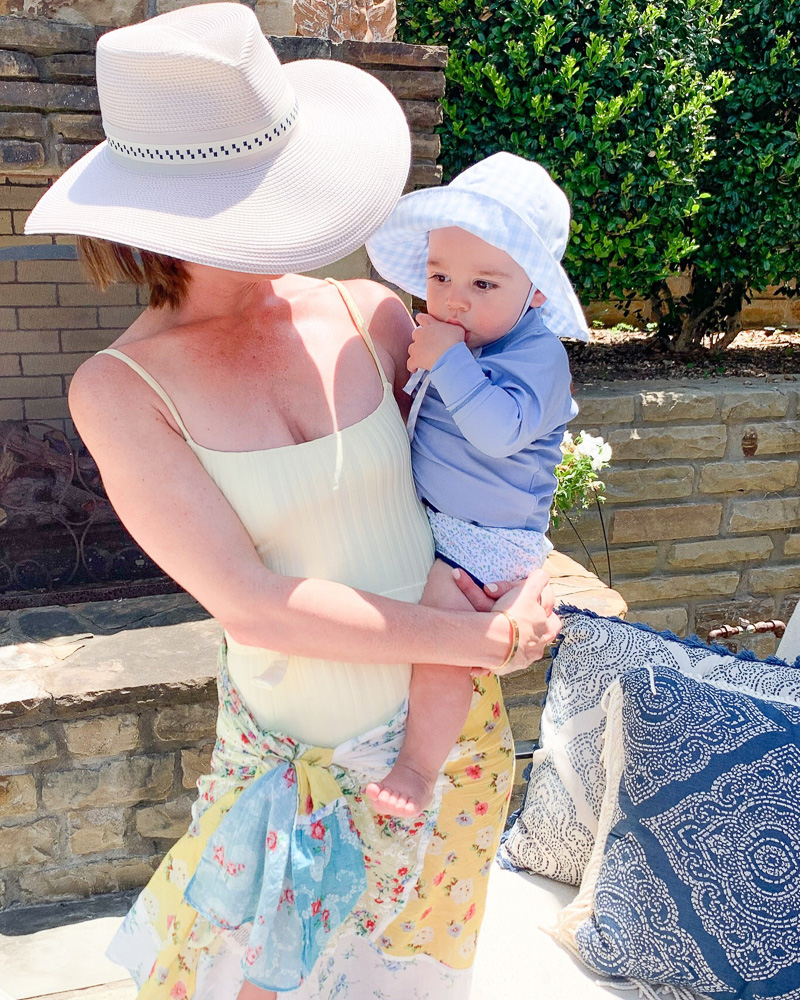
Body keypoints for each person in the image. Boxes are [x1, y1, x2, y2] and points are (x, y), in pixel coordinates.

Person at [25, 6, 560, 999]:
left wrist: (528, 589)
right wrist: (471, 644)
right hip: (294, 777)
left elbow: (492, 480)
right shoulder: (119, 388)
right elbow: (251, 603)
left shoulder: (372, 310)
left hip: (443, 747)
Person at [363, 153, 590, 817]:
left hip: (486, 542)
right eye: (439, 276)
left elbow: (496, 432)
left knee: (439, 645)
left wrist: (450, 360)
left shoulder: (537, 356)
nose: (455, 296)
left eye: (485, 284)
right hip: (446, 521)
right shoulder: (464, 341)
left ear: (536, 293)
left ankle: (417, 769)